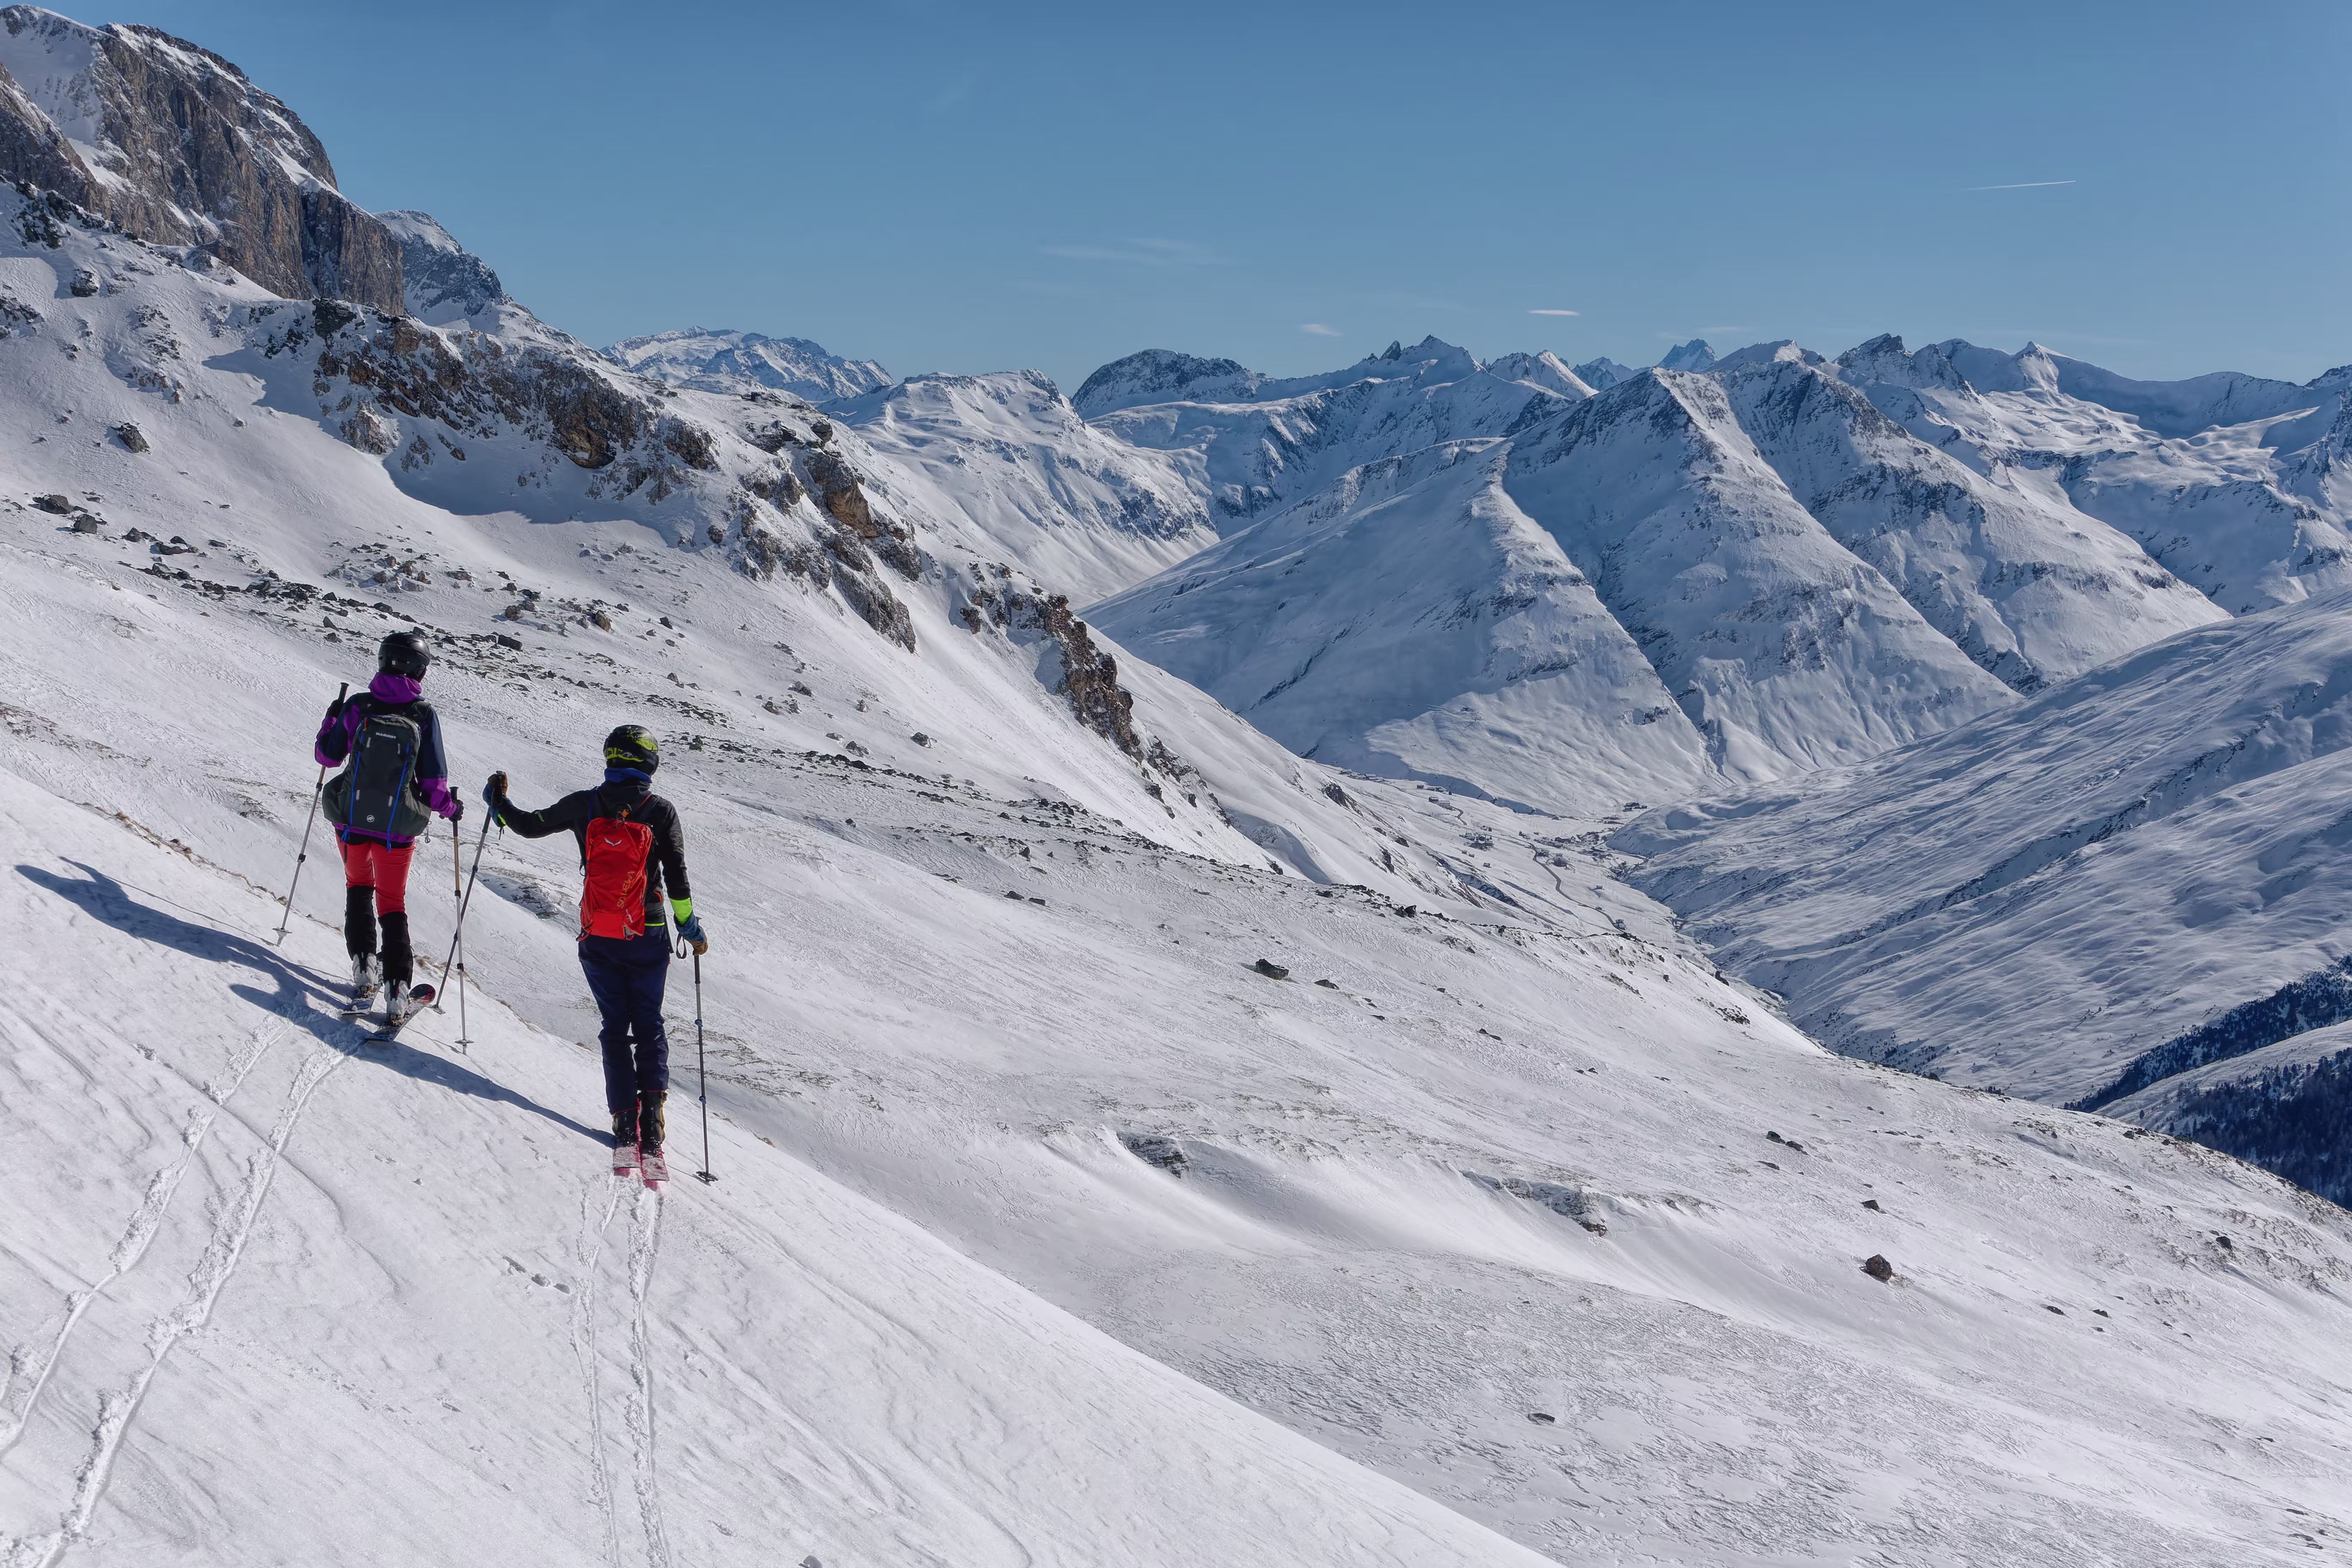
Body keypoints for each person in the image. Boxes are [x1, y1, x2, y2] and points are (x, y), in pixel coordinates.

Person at [483, 725, 708, 1160]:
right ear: (650, 763)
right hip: (648, 932)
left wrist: (498, 804)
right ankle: (653, 1121)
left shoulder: (584, 804)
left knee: (614, 1026)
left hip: (599, 933)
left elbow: (529, 826)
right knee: (649, 1024)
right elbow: (677, 878)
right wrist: (689, 927)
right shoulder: (660, 811)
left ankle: (623, 1117)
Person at [315, 631, 462, 1020]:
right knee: (392, 903)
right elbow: (433, 784)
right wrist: (451, 809)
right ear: (420, 670)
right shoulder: (422, 715)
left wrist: (331, 719)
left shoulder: (359, 706)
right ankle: (397, 991)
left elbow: (328, 757)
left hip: (350, 821)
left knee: (358, 889)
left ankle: (364, 969)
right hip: (396, 830)